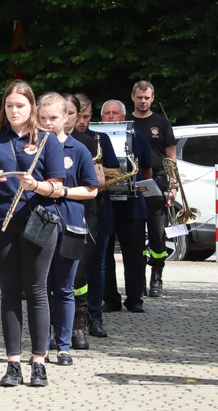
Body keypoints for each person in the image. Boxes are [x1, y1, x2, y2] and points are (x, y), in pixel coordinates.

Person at [0, 81, 65, 388]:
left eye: (20, 106)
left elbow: (58, 186)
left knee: (36, 290)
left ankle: (39, 362)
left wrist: (35, 185)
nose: (14, 111)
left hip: (37, 221)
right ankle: (13, 363)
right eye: (9, 105)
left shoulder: (48, 140)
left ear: (31, 107)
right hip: (0, 222)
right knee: (9, 291)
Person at [37, 93, 99, 366]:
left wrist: (63, 191)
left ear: (65, 118)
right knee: (40, 288)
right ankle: (42, 345)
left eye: (53, 118)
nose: (48, 123)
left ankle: (63, 346)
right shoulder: (31, 147)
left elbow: (92, 190)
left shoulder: (79, 149)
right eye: (43, 118)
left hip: (71, 225)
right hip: (39, 225)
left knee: (64, 288)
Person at [72, 93, 116, 339]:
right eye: (77, 116)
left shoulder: (99, 139)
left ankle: (95, 317)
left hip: (99, 207)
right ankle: (74, 316)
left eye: (86, 117)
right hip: (76, 206)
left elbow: (113, 170)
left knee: (98, 265)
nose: (81, 122)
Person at [101, 100, 152, 313]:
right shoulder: (96, 139)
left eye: (115, 113)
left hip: (132, 205)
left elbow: (147, 170)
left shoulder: (137, 137)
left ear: (123, 117)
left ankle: (135, 298)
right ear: (102, 117)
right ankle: (110, 299)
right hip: (105, 204)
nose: (111, 117)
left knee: (134, 255)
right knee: (105, 256)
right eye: (107, 114)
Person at [130, 80, 176, 297]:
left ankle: (156, 277)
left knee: (158, 234)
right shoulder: (128, 123)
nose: (143, 101)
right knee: (136, 235)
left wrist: (174, 186)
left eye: (147, 98)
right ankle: (137, 281)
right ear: (133, 97)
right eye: (140, 97)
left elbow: (171, 157)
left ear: (153, 98)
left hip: (158, 181)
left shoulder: (162, 123)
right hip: (133, 181)